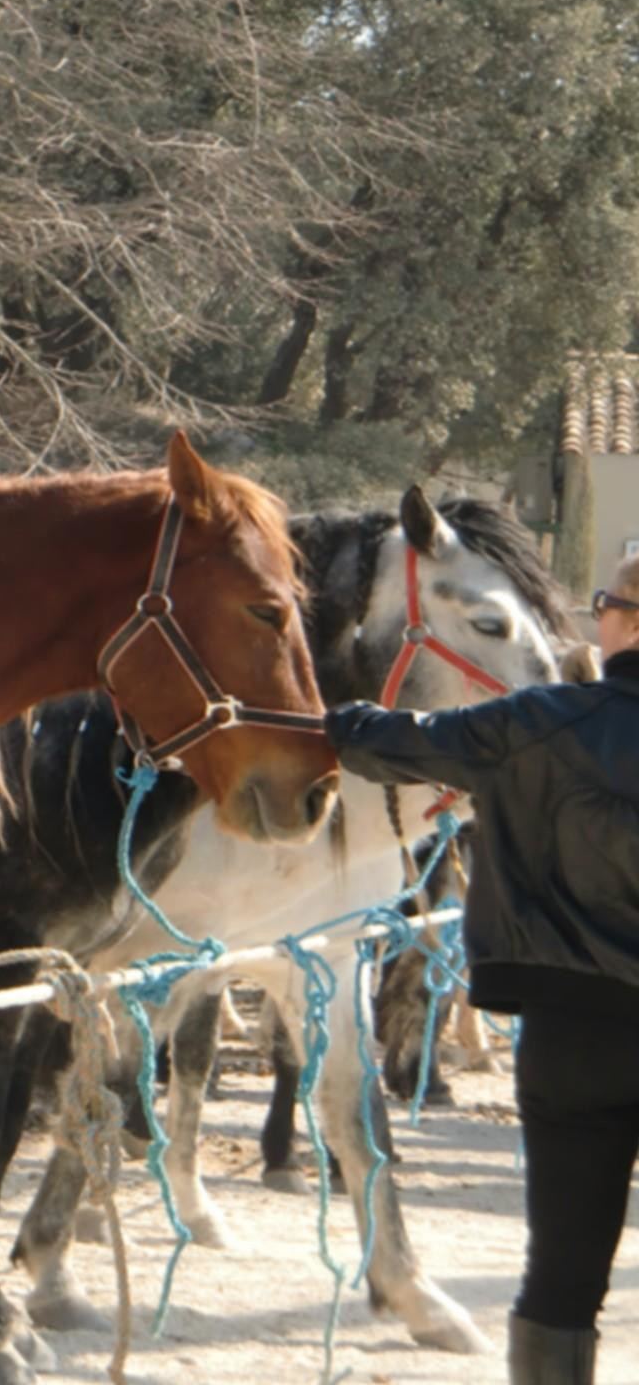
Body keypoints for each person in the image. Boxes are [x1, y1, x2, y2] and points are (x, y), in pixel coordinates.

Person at [326, 554, 639, 1385]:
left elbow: (386, 742)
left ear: (631, 622)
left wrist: (333, 715)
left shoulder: (538, 722)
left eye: (602, 604)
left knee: (563, 1275)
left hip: (571, 1036)